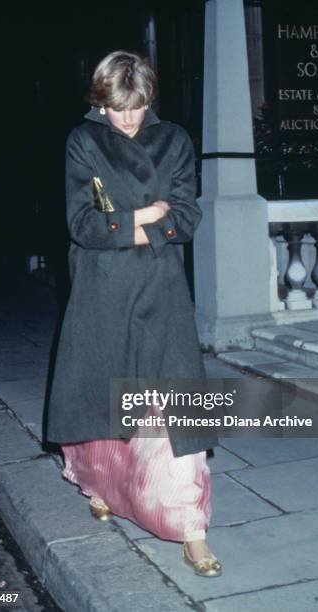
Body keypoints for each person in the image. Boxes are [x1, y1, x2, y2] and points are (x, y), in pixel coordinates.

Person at [45, 50, 221, 577]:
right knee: (101, 404)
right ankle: (99, 486)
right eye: (118, 108)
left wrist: (125, 224)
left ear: (149, 99)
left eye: (137, 107)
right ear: (101, 101)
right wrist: (146, 215)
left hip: (161, 292)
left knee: (178, 415)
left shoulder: (173, 140)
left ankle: (193, 532)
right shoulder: (82, 142)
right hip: (102, 293)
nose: (127, 119)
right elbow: (83, 225)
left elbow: (187, 216)